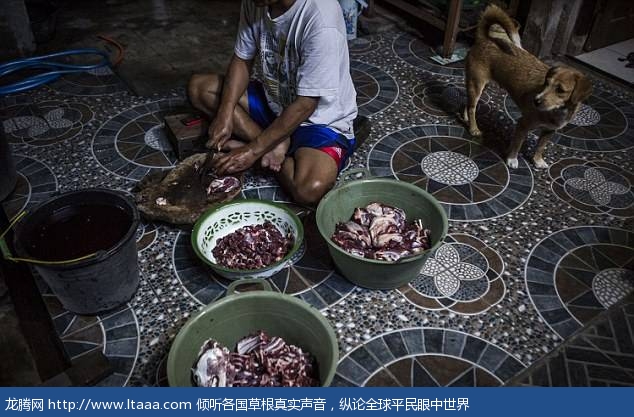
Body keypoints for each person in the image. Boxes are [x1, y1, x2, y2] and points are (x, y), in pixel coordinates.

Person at [188, 0, 358, 206]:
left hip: (319, 120)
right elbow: (242, 59)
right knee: (200, 87)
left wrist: (252, 151)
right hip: (276, 102)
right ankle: (274, 143)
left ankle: (267, 144)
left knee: (310, 190)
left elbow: (306, 104)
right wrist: (225, 114)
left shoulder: (321, 18)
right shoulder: (257, 2)